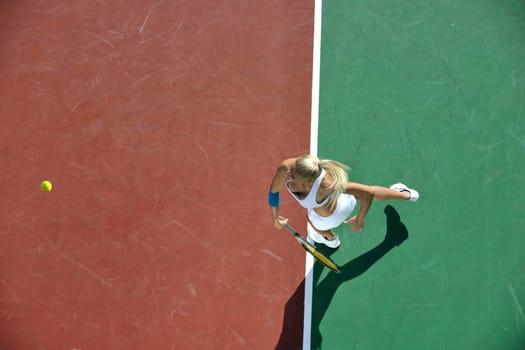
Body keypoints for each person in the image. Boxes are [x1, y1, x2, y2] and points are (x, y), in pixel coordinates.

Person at [268, 154, 419, 248]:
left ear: (308, 182)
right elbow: (274, 191)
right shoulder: (288, 168)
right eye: (293, 170)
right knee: (358, 192)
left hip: (335, 215)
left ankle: (330, 239)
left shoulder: (326, 186)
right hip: (342, 201)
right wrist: (275, 218)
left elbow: (368, 194)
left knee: (312, 221)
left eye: (294, 175)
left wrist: (360, 218)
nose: (289, 175)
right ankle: (407, 195)